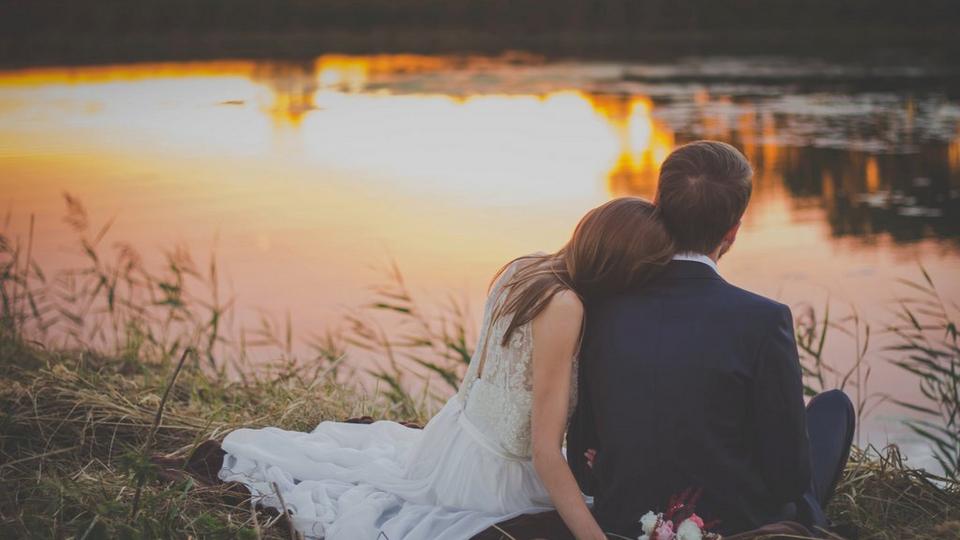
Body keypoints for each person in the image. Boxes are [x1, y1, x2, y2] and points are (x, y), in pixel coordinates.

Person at [215, 197, 675, 539]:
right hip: (492, 478)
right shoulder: (565, 307)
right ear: (623, 269)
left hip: (453, 440)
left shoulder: (528, 268)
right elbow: (544, 451)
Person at [563, 141, 856, 538]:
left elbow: (582, 462)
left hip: (625, 518)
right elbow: (788, 477)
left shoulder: (599, 309)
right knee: (833, 409)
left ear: (658, 207)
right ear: (733, 229)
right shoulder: (764, 320)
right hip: (733, 523)